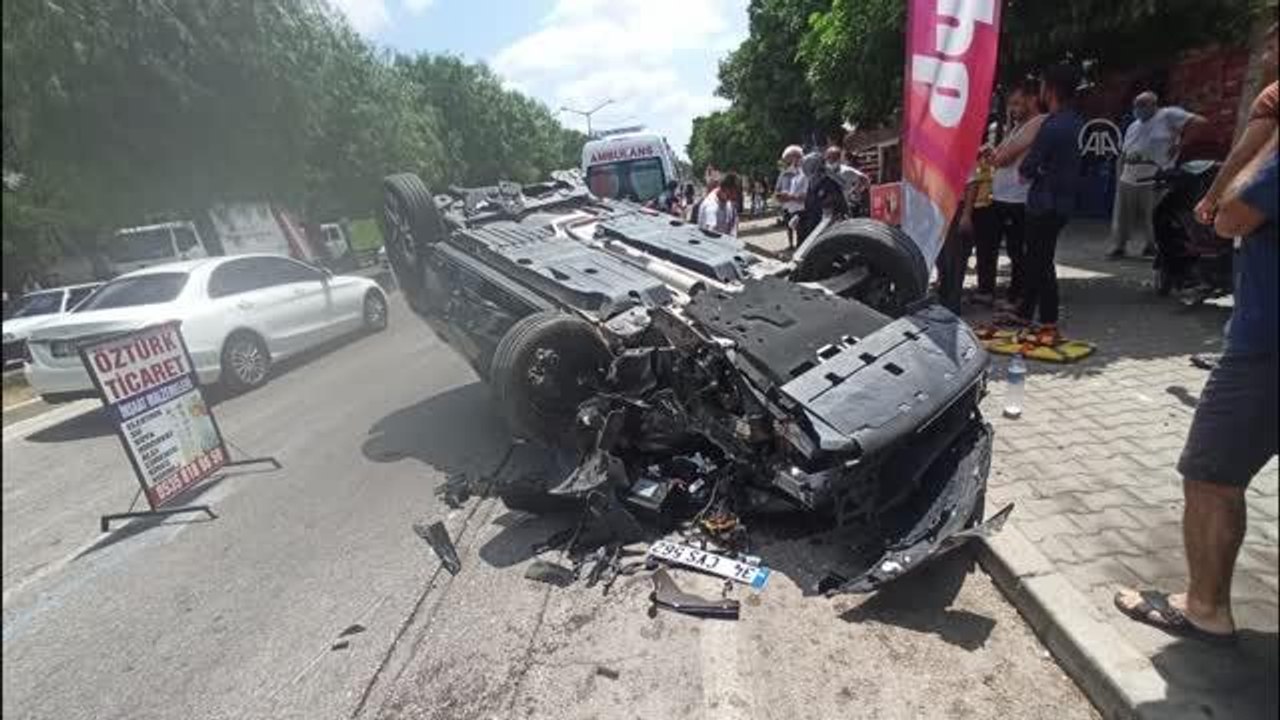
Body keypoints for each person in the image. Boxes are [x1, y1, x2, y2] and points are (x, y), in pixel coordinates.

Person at [1114, 138, 1277, 644]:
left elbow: (1229, 217)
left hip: (1267, 346)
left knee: (1211, 476)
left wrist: (1266, 134)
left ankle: (1205, 608)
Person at [1013, 64, 1085, 343]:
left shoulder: (1052, 125)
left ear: (1052, 89)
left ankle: (1048, 321)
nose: (1040, 91)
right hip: (1064, 202)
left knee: (1041, 261)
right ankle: (1025, 311)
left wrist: (1029, 170)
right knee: (1037, 257)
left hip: (1044, 203)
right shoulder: (1077, 122)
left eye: (1043, 86)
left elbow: (1029, 167)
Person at [1194, 23, 1278, 226]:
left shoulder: (1272, 96)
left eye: (1272, 48)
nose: (1265, 57)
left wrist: (1210, 199)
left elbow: (1244, 152)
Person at [1108, 92, 1207, 258]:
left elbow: (1199, 122)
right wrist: (1119, 176)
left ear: (1153, 104)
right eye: (1136, 105)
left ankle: (1152, 245)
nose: (1137, 109)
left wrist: (1180, 144)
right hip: (1129, 176)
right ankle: (1119, 245)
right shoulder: (1133, 126)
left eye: (1142, 104)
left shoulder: (1168, 115)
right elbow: (1123, 153)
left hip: (1154, 175)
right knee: (1122, 215)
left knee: (1154, 214)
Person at [990, 78, 1047, 309]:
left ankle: (1022, 299)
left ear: (1033, 100)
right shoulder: (1017, 126)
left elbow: (1003, 157)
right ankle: (1016, 295)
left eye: (1017, 103)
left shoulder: (1038, 122)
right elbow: (999, 153)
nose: (1013, 110)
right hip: (1006, 197)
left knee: (1021, 252)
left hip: (1021, 198)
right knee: (1013, 251)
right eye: (1011, 105)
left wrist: (996, 155)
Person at [938, 147, 998, 312]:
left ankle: (952, 303)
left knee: (955, 259)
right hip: (938, 209)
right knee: (942, 259)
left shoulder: (960, 149)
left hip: (956, 207)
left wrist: (966, 215)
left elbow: (972, 183)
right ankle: (944, 298)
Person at [774, 145, 806, 247]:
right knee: (790, 226)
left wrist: (790, 197)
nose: (788, 162)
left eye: (788, 159)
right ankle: (792, 244)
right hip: (790, 207)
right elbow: (778, 189)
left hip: (803, 210)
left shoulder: (804, 173)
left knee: (802, 235)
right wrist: (780, 196)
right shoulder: (787, 174)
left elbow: (805, 195)